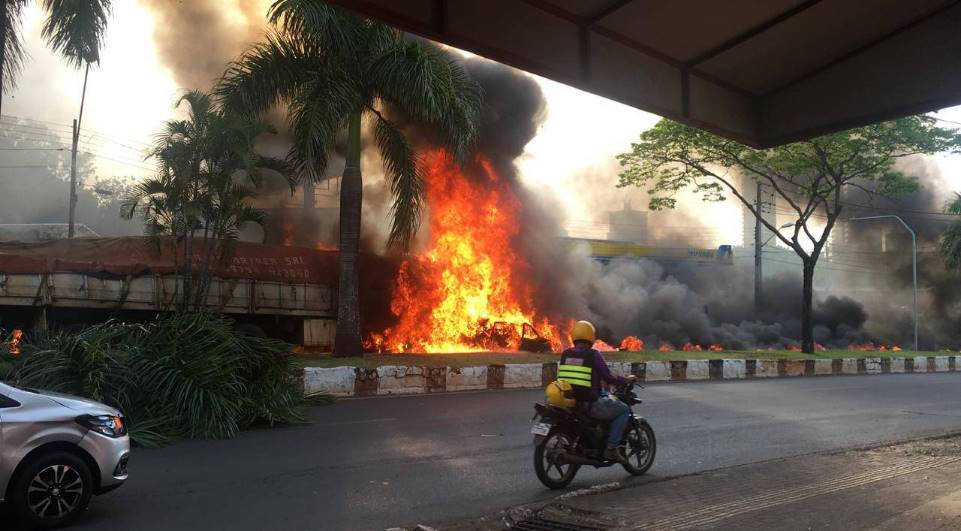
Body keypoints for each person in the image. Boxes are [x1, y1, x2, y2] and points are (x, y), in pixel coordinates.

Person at [558, 320, 636, 464]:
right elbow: (608, 377)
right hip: (590, 404)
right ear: (590, 337)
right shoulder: (594, 355)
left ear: (574, 336)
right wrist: (625, 380)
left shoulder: (565, 354)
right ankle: (611, 448)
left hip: (570, 403)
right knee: (623, 410)